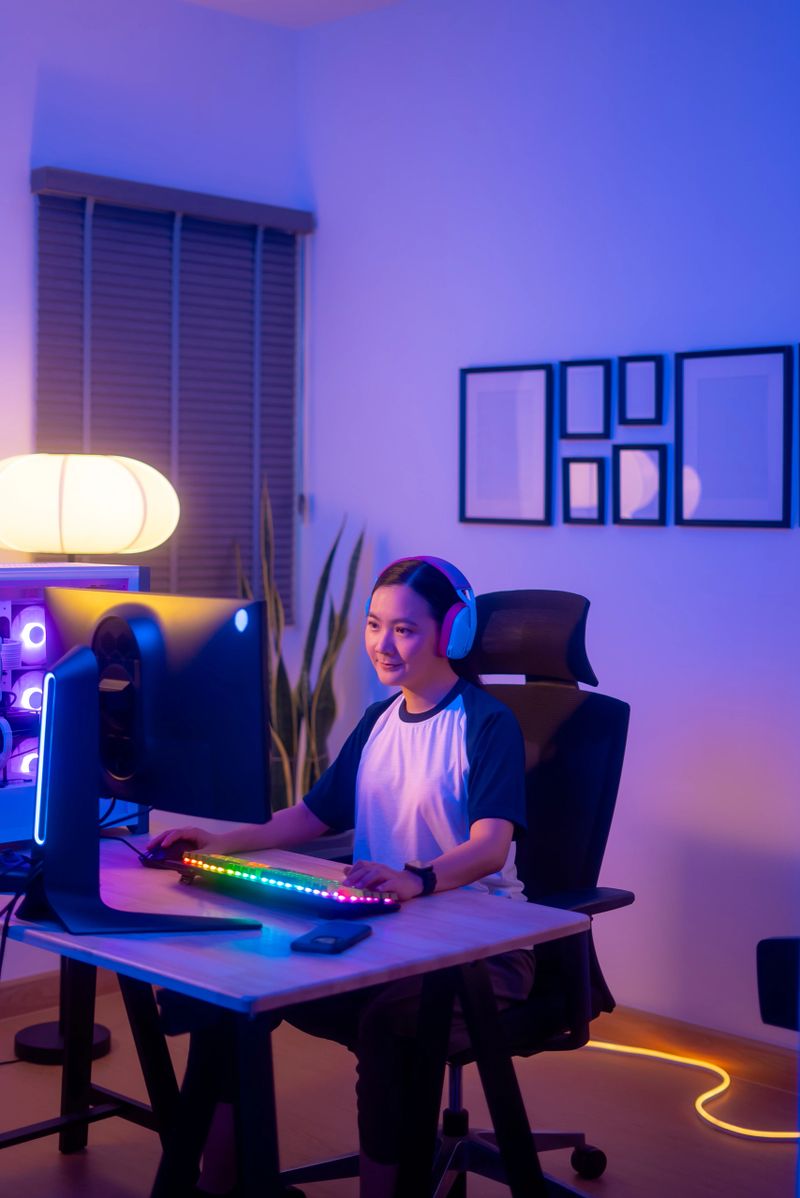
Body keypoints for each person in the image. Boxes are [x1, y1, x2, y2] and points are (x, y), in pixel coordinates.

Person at [149, 556, 534, 1198]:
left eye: (406, 630)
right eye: (374, 625)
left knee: (390, 1025)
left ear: (451, 635)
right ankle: (225, 1187)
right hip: (388, 936)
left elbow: (491, 848)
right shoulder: (378, 721)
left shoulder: (487, 723)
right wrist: (221, 840)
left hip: (485, 951)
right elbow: (308, 815)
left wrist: (418, 877)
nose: (384, 644)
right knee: (230, 993)